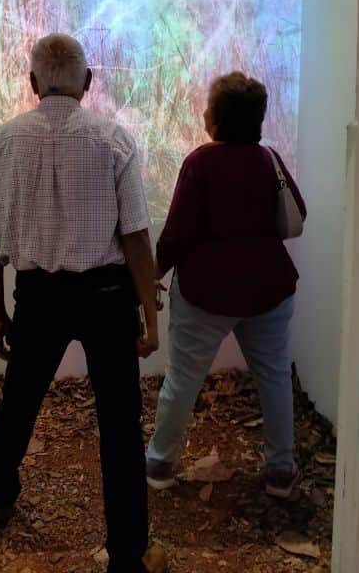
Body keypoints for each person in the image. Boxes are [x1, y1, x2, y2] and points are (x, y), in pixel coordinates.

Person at [0, 33, 167, 573]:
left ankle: (0, 493)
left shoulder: (0, 142)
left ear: (32, 83)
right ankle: (128, 554)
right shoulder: (115, 141)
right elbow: (136, 239)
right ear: (88, 81)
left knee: (19, 403)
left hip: (37, 298)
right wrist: (151, 317)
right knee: (121, 426)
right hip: (106, 297)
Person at [144, 71, 306, 499]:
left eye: (207, 106)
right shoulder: (269, 158)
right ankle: (279, 471)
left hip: (205, 293)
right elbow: (297, 213)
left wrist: (151, 277)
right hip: (269, 288)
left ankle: (160, 463)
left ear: (216, 118)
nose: (202, 111)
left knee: (182, 379)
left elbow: (177, 234)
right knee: (273, 377)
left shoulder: (200, 163)